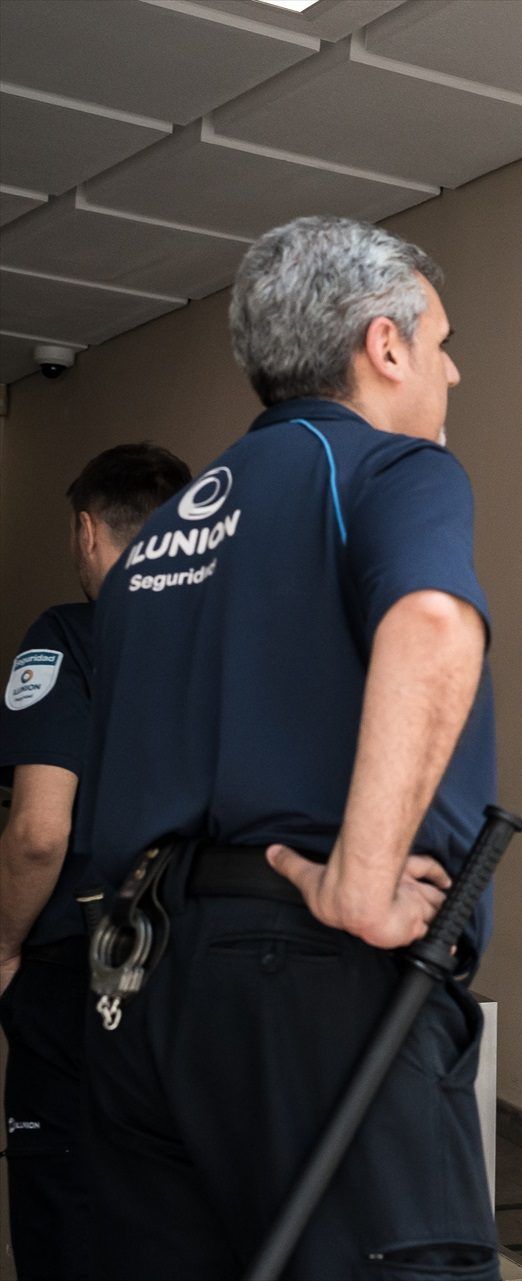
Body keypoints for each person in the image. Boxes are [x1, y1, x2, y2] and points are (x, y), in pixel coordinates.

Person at [74, 215, 501, 1280]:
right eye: (442, 342)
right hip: (312, 981)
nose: (452, 370)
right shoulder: (391, 470)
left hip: (144, 988)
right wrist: (360, 880)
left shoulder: (153, 545)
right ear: (384, 345)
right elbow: (433, 623)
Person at [0, 443, 191, 1280]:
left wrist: (3, 944)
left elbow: (39, 830)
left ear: (86, 531)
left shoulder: (69, 637)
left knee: (66, 1203)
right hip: (201, 964)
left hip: (79, 965)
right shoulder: (231, 637)